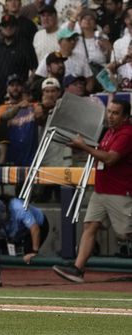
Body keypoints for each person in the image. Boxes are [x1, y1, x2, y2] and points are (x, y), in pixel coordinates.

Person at [53, 100, 132, 283]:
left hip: (119, 191)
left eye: (115, 113)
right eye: (109, 112)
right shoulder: (109, 132)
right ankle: (77, 269)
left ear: (125, 116)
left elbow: (111, 159)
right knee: (90, 225)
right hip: (102, 189)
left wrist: (84, 147)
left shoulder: (127, 133)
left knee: (126, 233)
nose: (110, 116)